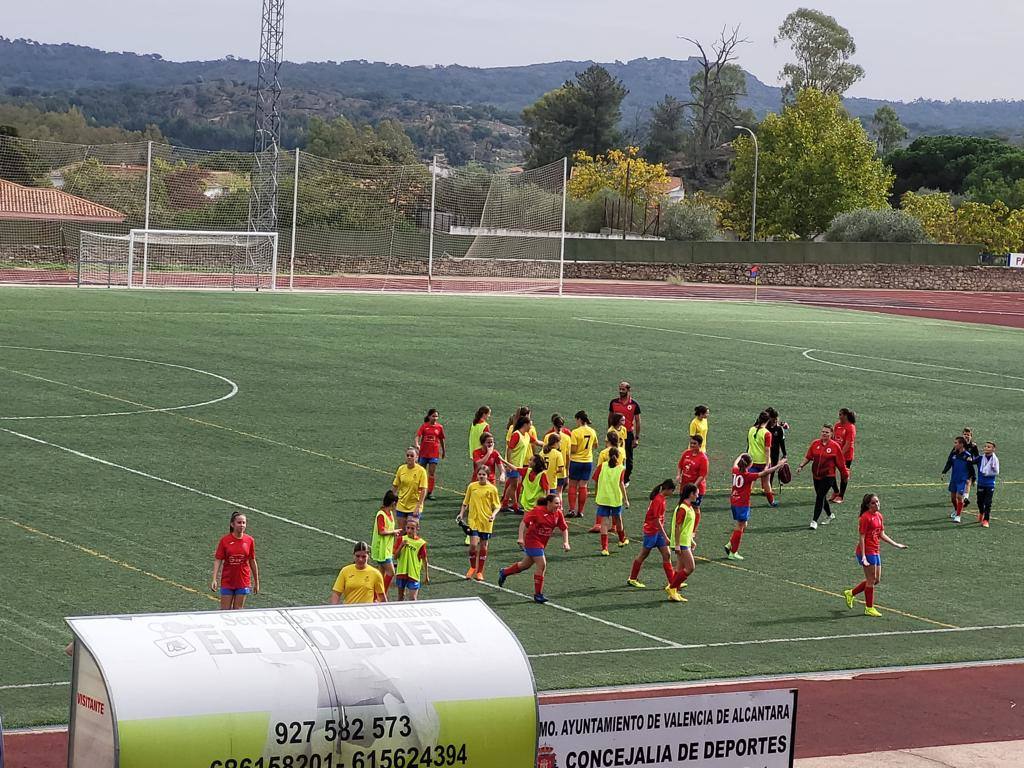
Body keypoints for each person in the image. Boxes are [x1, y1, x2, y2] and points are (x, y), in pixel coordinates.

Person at [843, 494, 907, 618]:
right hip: (867, 551)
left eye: (877, 502)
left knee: (876, 579)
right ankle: (869, 608)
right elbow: (861, 537)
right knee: (871, 580)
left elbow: (881, 534)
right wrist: (863, 557)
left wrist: (896, 544)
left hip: (875, 550)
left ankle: (850, 593)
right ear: (868, 505)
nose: (877, 504)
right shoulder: (865, 518)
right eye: (873, 503)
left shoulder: (879, 516)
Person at [498, 494, 570, 603]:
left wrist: (566, 542)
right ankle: (538, 595)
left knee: (525, 565)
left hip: (542, 543)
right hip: (532, 540)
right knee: (542, 564)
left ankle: (504, 572)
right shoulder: (537, 511)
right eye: (556, 503)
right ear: (549, 503)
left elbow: (564, 528)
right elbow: (523, 522)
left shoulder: (558, 513)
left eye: (559, 503)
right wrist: (520, 538)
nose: (558, 505)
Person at [725, 453, 787, 560]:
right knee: (740, 526)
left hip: (734, 501)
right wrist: (779, 465)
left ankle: (730, 544)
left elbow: (735, 462)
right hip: (742, 503)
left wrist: (741, 454)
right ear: (750, 465)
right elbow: (765, 472)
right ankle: (733, 552)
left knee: (744, 524)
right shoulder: (748, 476)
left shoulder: (735, 470)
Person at [797, 424, 850, 529]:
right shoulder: (815, 443)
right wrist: (801, 465)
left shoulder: (835, 447)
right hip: (816, 476)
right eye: (823, 432)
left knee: (820, 496)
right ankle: (830, 515)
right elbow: (808, 456)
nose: (824, 434)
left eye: (827, 432)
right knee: (821, 497)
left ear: (831, 434)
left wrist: (845, 475)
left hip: (828, 476)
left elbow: (840, 464)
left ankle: (814, 521)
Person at [628, 479, 677, 590]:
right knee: (643, 554)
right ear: (668, 489)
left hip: (657, 531)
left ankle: (673, 581)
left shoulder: (661, 499)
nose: (672, 493)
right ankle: (632, 578)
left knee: (667, 555)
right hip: (651, 531)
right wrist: (665, 536)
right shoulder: (658, 500)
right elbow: (656, 519)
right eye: (672, 491)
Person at [459, 465, 502, 580]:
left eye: (484, 474)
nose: (481, 476)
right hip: (473, 520)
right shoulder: (472, 486)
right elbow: (465, 502)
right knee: (473, 545)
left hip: (486, 521)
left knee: (483, 546)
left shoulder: (492, 489)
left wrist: (493, 515)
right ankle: (472, 567)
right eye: (480, 474)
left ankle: (479, 572)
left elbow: (497, 506)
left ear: (488, 476)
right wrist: (461, 513)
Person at [211, 511, 260, 610]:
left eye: (243, 523)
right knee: (225, 610)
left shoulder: (249, 540)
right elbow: (218, 560)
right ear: (232, 524)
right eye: (239, 522)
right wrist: (214, 579)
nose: (242, 525)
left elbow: (252, 561)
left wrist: (256, 581)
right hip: (228, 580)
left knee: (238, 610)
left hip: (243, 581)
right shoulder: (225, 540)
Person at [593, 447, 630, 555]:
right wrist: (626, 499)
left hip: (603, 498)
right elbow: (621, 484)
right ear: (618, 457)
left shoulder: (603, 466)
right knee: (618, 519)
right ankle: (621, 540)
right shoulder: (621, 468)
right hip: (615, 499)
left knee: (604, 523)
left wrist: (596, 494)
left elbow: (595, 480)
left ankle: (604, 548)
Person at [666, 484, 700, 603]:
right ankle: (672, 588)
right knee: (690, 567)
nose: (698, 495)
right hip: (682, 542)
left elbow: (686, 527)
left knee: (679, 567)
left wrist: (691, 540)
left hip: (685, 541)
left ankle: (674, 591)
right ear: (691, 494)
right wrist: (678, 544)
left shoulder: (688, 507)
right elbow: (678, 527)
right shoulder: (683, 508)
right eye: (696, 493)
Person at [504, 414, 541, 513]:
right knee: (514, 486)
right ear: (525, 424)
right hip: (514, 464)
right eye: (530, 425)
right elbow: (509, 449)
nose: (531, 427)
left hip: (519, 464)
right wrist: (509, 463)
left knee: (513, 485)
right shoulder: (517, 434)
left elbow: (536, 442)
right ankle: (515, 507)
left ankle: (505, 503)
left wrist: (547, 444)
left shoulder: (527, 435)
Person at [609, 381, 642, 485]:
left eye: (623, 389)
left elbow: (637, 421)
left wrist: (636, 438)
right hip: (615, 434)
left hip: (628, 434)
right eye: (620, 389)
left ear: (628, 390)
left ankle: (625, 479)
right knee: (613, 456)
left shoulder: (634, 405)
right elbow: (610, 417)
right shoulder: (613, 402)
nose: (621, 391)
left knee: (628, 459)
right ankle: (614, 477)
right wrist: (609, 432)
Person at [568, 410, 598, 519]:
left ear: (579, 419)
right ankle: (580, 511)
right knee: (583, 486)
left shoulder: (575, 432)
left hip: (576, 461)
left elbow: (574, 449)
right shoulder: (592, 431)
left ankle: (572, 509)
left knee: (572, 485)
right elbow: (595, 445)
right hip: (588, 462)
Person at [370, 490, 400, 594]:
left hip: (386, 549)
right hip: (381, 549)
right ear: (393, 503)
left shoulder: (390, 513)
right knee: (391, 572)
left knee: (380, 574)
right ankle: (382, 594)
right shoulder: (381, 515)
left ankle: (375, 596)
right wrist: (393, 532)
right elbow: (381, 531)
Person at [747, 411, 778, 507]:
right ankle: (771, 502)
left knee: (749, 484)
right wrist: (767, 463)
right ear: (768, 420)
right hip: (762, 461)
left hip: (751, 461)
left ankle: (746, 502)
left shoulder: (751, 429)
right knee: (766, 483)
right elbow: (767, 450)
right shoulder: (767, 433)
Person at [415, 408, 446, 500]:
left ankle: (429, 493)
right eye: (433, 416)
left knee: (431, 473)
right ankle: (419, 491)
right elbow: (418, 436)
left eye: (436, 416)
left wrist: (444, 451)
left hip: (434, 454)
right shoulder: (424, 426)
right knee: (421, 472)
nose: (435, 418)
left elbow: (442, 439)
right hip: (424, 453)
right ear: (429, 417)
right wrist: (417, 444)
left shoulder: (439, 427)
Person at [394, 518, 429, 601]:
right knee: (400, 597)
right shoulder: (401, 539)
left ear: (417, 529)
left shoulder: (421, 543)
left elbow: (424, 560)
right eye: (408, 528)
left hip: (413, 573)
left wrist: (426, 575)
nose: (409, 530)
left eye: (412, 528)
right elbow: (395, 557)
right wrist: (401, 546)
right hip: (401, 572)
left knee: (413, 599)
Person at [675, 435, 709, 520]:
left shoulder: (703, 458)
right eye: (691, 443)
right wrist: (679, 475)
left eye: (694, 443)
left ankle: (693, 529)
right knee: (683, 505)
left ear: (700, 445)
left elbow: (702, 475)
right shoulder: (686, 453)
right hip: (684, 486)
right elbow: (680, 466)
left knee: (695, 507)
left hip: (696, 488)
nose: (692, 445)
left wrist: (693, 487)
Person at [942, 436, 973, 524]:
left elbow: (971, 468)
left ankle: (958, 516)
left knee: (959, 497)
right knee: (952, 498)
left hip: (962, 480)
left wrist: (970, 478)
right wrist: (944, 472)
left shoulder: (967, 455)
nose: (954, 445)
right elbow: (949, 463)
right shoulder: (954, 454)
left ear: (961, 444)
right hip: (954, 479)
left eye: (956, 443)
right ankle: (956, 510)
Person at [392, 447, 428, 523]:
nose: (409, 457)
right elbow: (395, 485)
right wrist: (392, 500)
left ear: (417, 457)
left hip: (414, 505)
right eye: (407, 455)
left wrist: (418, 506)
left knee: (411, 531)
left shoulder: (421, 471)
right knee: (402, 531)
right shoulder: (401, 469)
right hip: (401, 504)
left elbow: (423, 490)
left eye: (412, 456)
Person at [830, 408, 857, 503]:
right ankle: (836, 491)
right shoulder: (837, 425)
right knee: (829, 472)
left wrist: (840, 455)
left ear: (845, 416)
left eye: (841, 414)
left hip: (846, 456)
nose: (839, 416)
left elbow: (848, 444)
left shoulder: (850, 427)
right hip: (835, 454)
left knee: (844, 475)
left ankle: (841, 496)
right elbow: (833, 439)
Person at [975, 441, 1000, 528]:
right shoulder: (980, 458)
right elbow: (971, 461)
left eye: (989, 447)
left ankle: (986, 520)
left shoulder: (995, 460)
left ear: (993, 449)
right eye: (985, 446)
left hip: (990, 485)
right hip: (981, 483)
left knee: (988, 503)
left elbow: (996, 472)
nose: (986, 448)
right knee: (979, 501)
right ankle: (981, 512)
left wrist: (988, 472)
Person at [765, 407, 789, 493]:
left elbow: (782, 442)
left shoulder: (779, 429)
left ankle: (768, 488)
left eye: (776, 418)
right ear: (769, 418)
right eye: (773, 418)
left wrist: (785, 454)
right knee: (764, 470)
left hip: (775, 452)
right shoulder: (765, 427)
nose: (775, 420)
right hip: (765, 452)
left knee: (771, 471)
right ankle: (766, 488)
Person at [540, 432, 567, 500]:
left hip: (541, 481)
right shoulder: (557, 454)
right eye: (559, 442)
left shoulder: (542, 452)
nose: (560, 444)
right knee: (551, 502)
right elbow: (561, 469)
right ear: (555, 442)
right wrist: (554, 471)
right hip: (551, 482)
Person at [961, 427, 981, 507]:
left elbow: (977, 457)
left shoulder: (973, 446)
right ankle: (961, 495)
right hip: (960, 467)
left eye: (968, 435)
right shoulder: (959, 444)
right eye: (965, 434)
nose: (966, 436)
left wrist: (972, 460)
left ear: (971, 436)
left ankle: (966, 498)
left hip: (969, 466)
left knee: (968, 482)